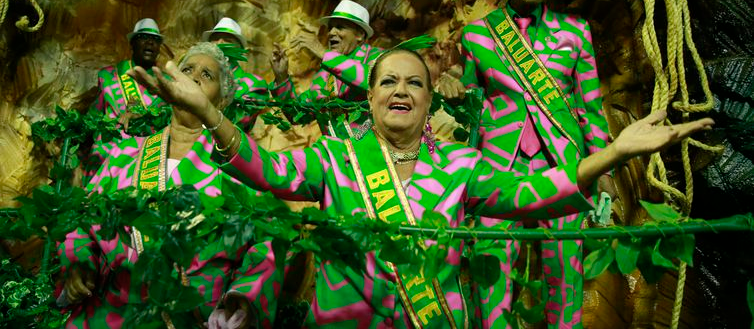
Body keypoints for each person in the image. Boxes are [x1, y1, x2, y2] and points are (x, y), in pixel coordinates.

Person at [129, 47, 712, 328]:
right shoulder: (334, 158)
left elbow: (538, 192)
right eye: (388, 81)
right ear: (371, 96)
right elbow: (265, 170)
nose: (400, 89)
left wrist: (612, 152)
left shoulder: (462, 166)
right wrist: (210, 113)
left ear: (430, 101)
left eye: (415, 82)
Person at [437, 0, 610, 328]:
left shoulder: (575, 32)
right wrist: (453, 91)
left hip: (564, 164)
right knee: (491, 264)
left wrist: (605, 173)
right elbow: (471, 104)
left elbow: (591, 109)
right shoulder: (477, 35)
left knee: (565, 270)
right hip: (498, 165)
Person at [59, 43, 281, 329]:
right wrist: (79, 263)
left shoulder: (238, 169)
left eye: (207, 75)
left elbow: (268, 244)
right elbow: (82, 221)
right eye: (187, 69)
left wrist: (244, 298)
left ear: (222, 101)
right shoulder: (124, 155)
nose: (194, 77)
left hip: (190, 317)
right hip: (112, 312)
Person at [270, 0, 381, 138]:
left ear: (360, 34)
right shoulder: (323, 76)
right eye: (330, 28)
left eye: (340, 27)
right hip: (334, 156)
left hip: (374, 152)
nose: (331, 33)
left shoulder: (379, 58)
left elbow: (374, 82)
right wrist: (281, 78)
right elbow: (297, 115)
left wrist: (323, 53)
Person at [90, 18, 166, 133]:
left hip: (151, 147)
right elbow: (93, 118)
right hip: (110, 144)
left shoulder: (167, 82)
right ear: (132, 44)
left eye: (156, 39)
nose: (150, 42)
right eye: (144, 37)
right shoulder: (108, 76)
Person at [203, 17, 276, 132]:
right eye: (215, 39)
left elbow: (235, 123)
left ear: (240, 49)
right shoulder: (196, 77)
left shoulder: (253, 84)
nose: (220, 43)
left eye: (227, 40)